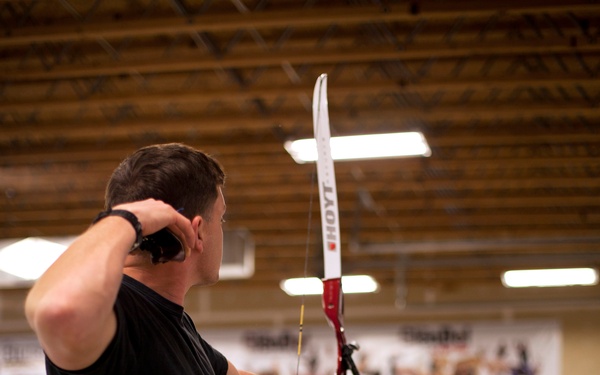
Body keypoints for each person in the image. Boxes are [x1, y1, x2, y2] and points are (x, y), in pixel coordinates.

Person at [25, 143, 255, 375]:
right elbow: (57, 311)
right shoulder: (120, 309)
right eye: (221, 219)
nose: (222, 228)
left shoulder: (176, 325)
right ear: (198, 230)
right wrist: (125, 219)